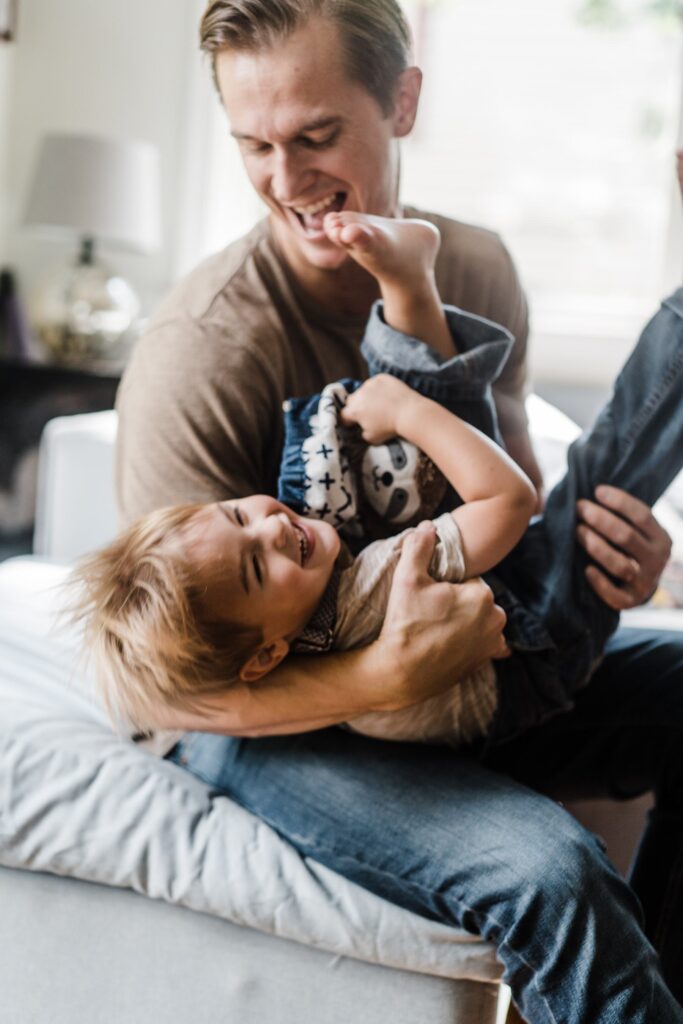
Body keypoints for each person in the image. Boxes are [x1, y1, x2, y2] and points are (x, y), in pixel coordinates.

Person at [114, 1, 683, 1019]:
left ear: (402, 100)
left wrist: (617, 559)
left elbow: (509, 510)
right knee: (546, 873)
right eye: (254, 145)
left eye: (316, 137)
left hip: (467, 646)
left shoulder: (472, 266)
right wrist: (379, 671)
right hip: (280, 722)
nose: (286, 182)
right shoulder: (201, 351)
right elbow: (166, 695)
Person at [80, 213, 682, 759]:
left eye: (239, 516)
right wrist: (406, 411)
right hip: (537, 648)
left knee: (389, 468)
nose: (272, 528)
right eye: (256, 568)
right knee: (602, 472)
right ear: (266, 657)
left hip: (489, 604)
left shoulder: (296, 588)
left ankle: (407, 286)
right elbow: (509, 499)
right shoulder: (368, 596)